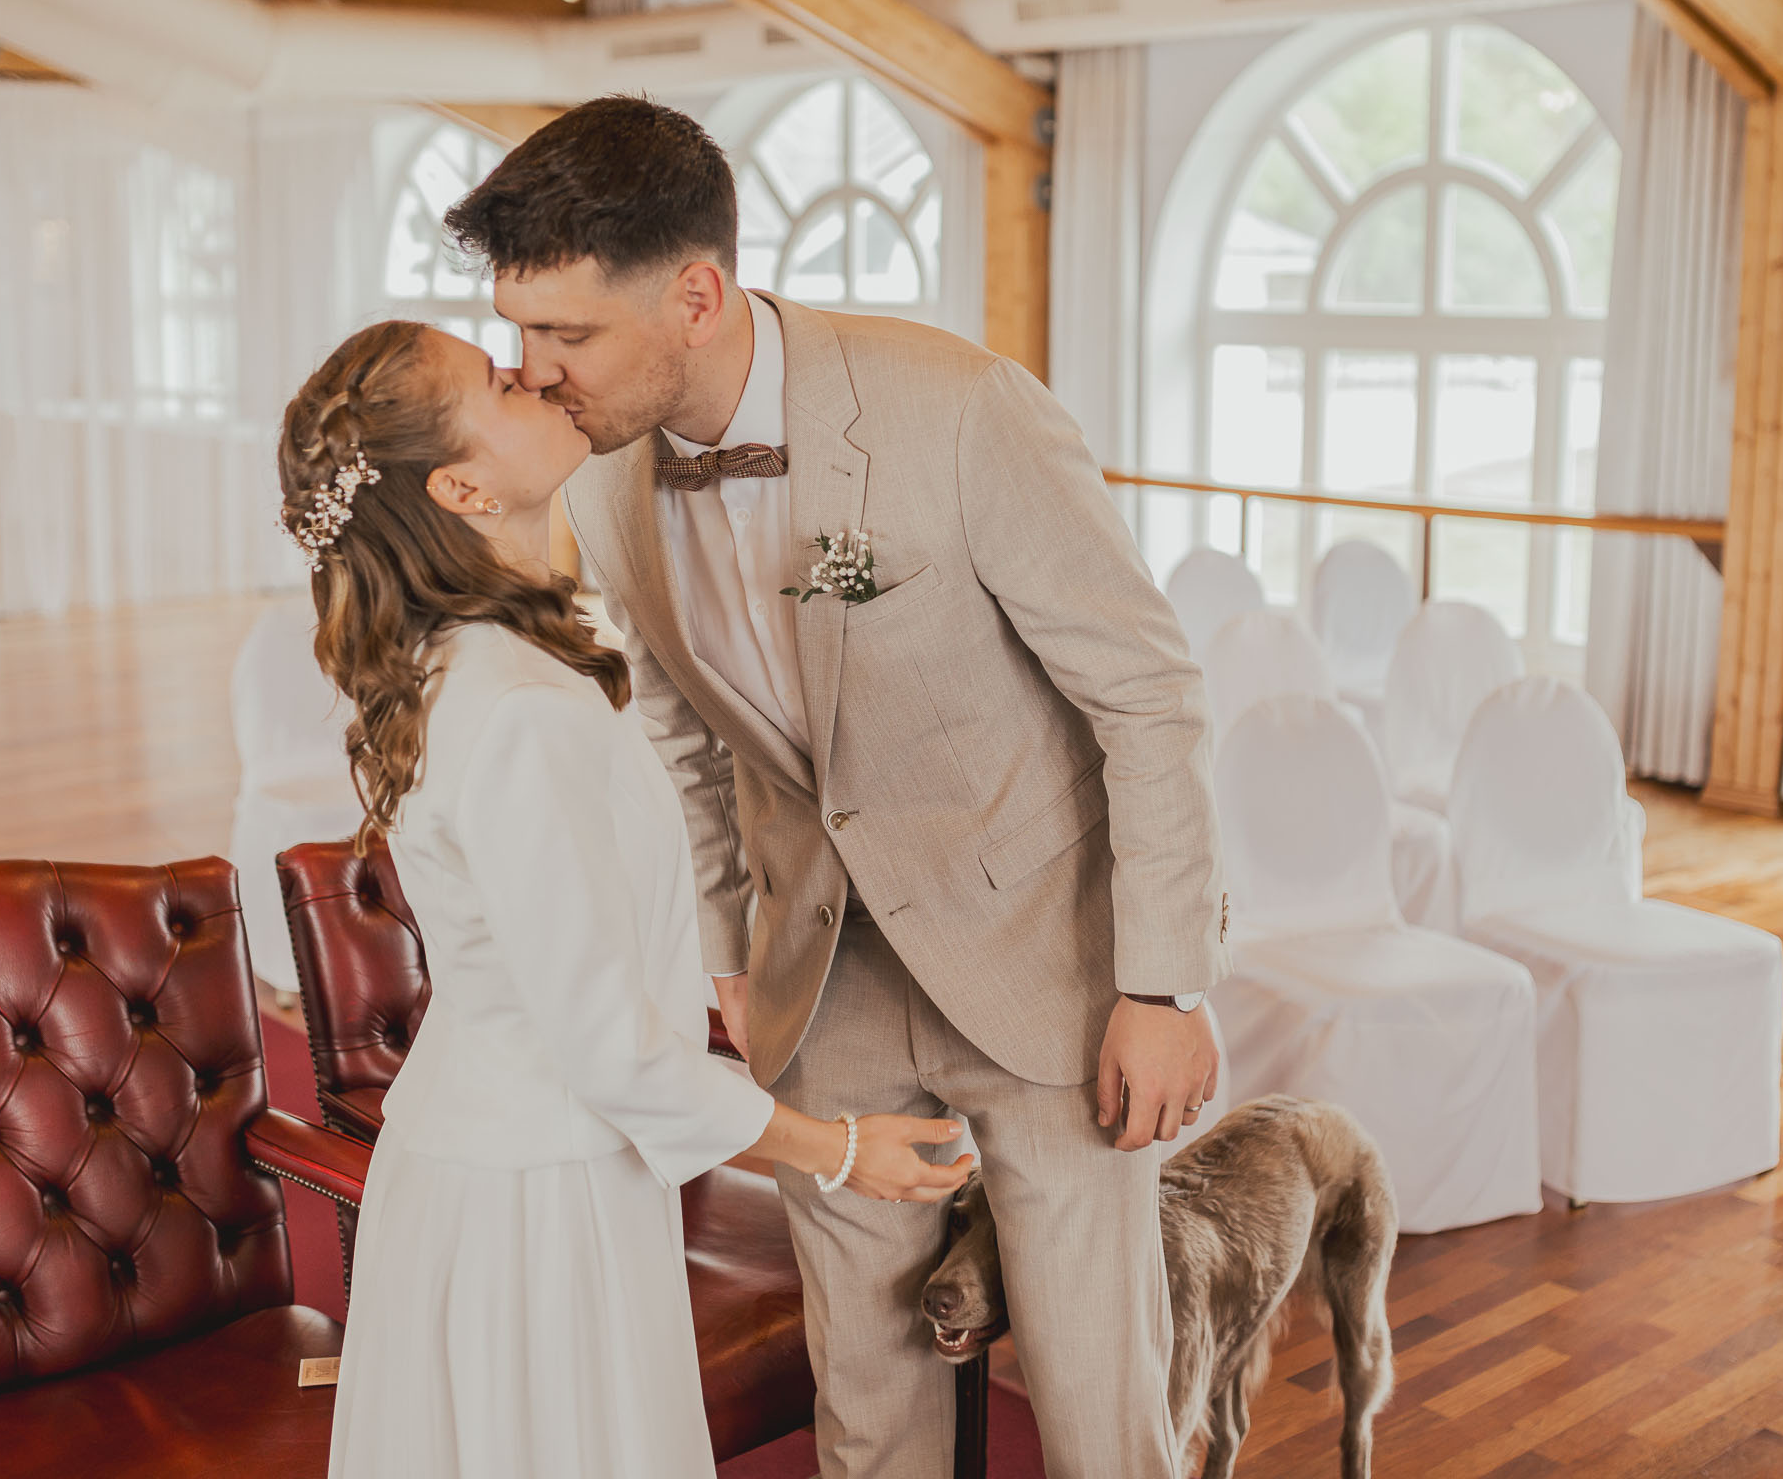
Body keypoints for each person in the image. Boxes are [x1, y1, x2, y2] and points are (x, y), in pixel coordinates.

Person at [447, 97, 1229, 1479]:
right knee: (866, 1404)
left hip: (1045, 958)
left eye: (566, 333)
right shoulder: (603, 485)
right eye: (521, 332)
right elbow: (681, 735)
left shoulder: (958, 409)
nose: (537, 370)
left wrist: (1162, 987)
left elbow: (1148, 694)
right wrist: (724, 957)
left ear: (695, 294)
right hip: (823, 980)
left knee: (1098, 1399)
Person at [274, 317, 972, 1479]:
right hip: (533, 1203)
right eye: (501, 381)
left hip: (507, 1163)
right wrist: (842, 1150)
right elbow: (615, 1059)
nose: (537, 373)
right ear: (460, 483)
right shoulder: (516, 712)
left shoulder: (486, 658)